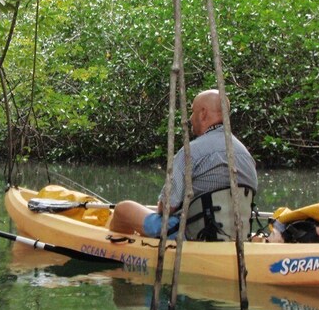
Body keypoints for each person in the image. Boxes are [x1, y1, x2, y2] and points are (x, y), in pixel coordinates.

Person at [108, 89, 257, 237]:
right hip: (235, 237)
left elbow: (166, 207)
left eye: (192, 112)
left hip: (191, 235)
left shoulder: (192, 151)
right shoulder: (245, 155)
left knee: (123, 209)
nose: (189, 119)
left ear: (203, 113)